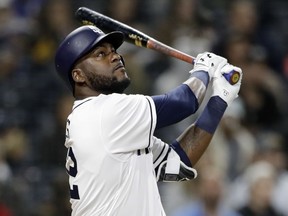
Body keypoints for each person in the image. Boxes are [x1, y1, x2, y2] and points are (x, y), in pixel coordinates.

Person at [54, 25, 242, 216]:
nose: (115, 56)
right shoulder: (102, 111)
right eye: (100, 54)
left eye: (113, 51)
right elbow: (184, 102)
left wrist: (220, 99)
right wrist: (204, 69)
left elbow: (178, 162)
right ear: (78, 75)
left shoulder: (108, 124)